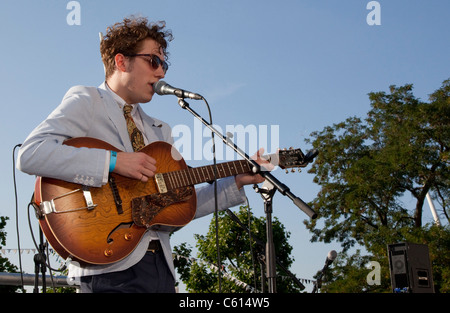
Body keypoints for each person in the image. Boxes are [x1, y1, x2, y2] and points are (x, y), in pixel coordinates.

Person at [17, 16, 268, 293]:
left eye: (164, 64)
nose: (161, 73)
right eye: (153, 61)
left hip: (160, 269)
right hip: (108, 268)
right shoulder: (87, 101)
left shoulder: (160, 131)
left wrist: (236, 181)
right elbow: (30, 154)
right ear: (121, 61)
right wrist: (113, 162)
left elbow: (179, 206)